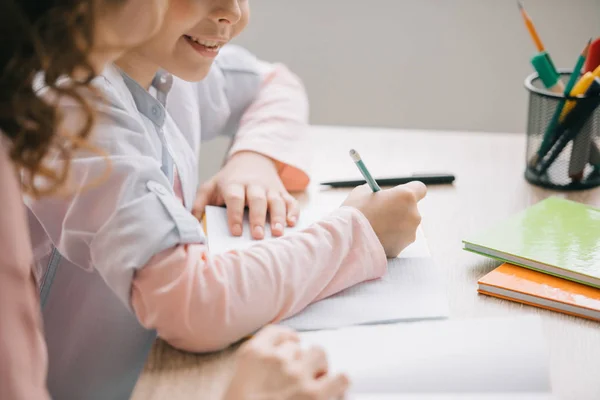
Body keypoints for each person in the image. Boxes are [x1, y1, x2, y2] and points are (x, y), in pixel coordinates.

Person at [3, 1, 349, 399]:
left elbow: (274, 82)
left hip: (162, 372)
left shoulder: (167, 67)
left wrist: (253, 159)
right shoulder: (75, 110)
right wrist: (356, 232)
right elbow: (193, 303)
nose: (233, 12)